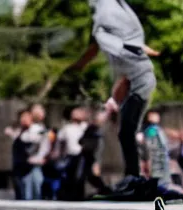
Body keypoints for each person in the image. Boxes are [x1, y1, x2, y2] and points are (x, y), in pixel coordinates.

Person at [66, 0, 160, 178]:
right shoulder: (117, 28)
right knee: (126, 132)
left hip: (140, 84)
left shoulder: (107, 24)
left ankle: (134, 177)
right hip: (139, 83)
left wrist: (78, 66)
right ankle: (133, 175)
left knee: (126, 133)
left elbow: (97, 51)